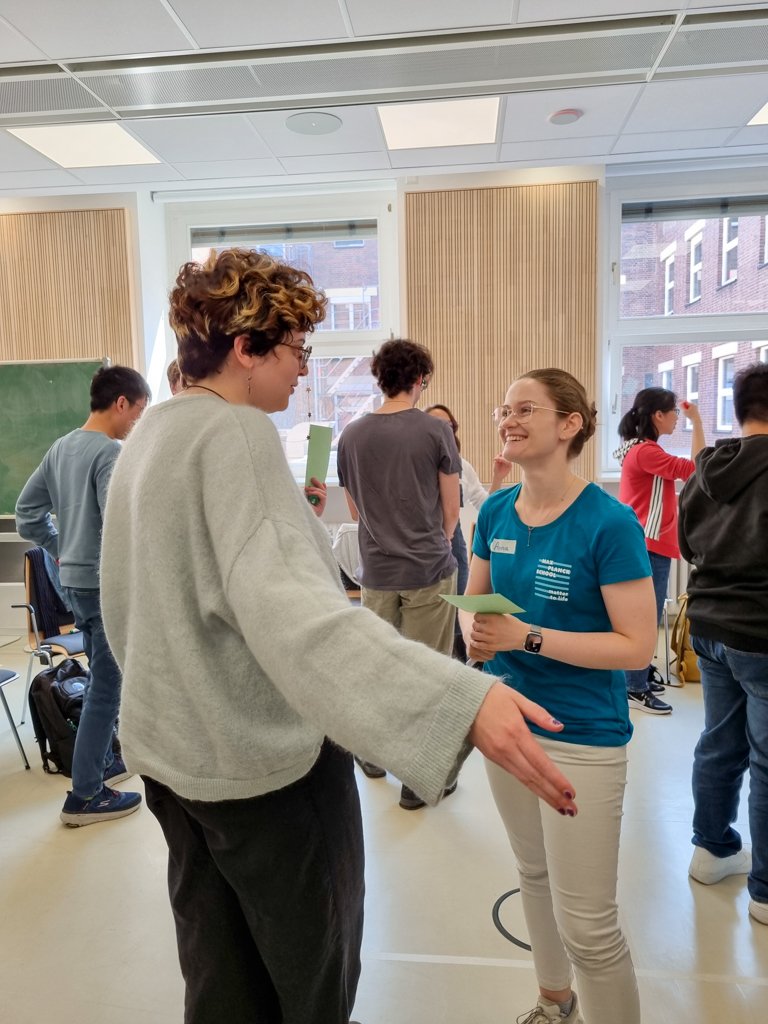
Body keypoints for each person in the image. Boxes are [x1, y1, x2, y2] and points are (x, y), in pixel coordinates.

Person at [98, 248, 578, 1024]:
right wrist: (461, 698)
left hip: (174, 763)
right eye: (296, 352)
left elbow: (131, 605)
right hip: (263, 776)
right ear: (247, 346)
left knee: (219, 980)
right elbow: (305, 626)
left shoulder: (149, 438)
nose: (303, 373)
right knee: (309, 984)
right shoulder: (239, 436)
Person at [460, 368, 657, 1024]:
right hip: (509, 723)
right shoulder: (493, 511)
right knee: (533, 876)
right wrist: (476, 634)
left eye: (526, 409)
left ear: (570, 424)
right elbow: (477, 608)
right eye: (503, 408)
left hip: (583, 736)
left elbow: (635, 647)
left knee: (591, 927)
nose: (507, 419)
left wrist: (527, 637)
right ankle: (554, 999)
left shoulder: (608, 523)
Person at [15, 365, 150, 825]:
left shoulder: (60, 447)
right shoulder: (110, 452)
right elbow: (120, 529)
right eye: (139, 413)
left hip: (72, 582)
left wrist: (61, 550)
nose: (137, 424)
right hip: (103, 584)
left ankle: (101, 764)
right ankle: (86, 795)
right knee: (108, 689)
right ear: (121, 404)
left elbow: (26, 515)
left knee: (101, 679)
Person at [336, 339, 461, 809]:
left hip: (376, 572)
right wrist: (439, 540)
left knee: (378, 668)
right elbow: (451, 507)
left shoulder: (350, 435)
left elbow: (354, 507)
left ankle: (370, 754)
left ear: (379, 378)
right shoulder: (433, 430)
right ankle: (418, 779)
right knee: (426, 673)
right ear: (419, 380)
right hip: (428, 567)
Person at [678, 362, 768, 926]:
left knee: (719, 741)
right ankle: (766, 890)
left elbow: (688, 545)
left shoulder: (706, 468)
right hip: (761, 633)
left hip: (709, 628)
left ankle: (712, 850)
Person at [614, 387, 705, 713]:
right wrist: (697, 423)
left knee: (642, 617)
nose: (677, 418)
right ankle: (634, 688)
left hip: (647, 544)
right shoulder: (646, 452)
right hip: (647, 545)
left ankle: (636, 675)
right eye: (675, 413)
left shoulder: (639, 449)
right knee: (644, 620)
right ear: (658, 416)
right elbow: (697, 468)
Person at [425, 402, 509, 657]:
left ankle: (461, 664)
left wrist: (498, 477)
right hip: (423, 545)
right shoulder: (411, 464)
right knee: (429, 615)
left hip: (454, 543)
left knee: (461, 607)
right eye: (435, 425)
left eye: (448, 425)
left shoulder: (460, 464)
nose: (443, 430)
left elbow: (487, 509)